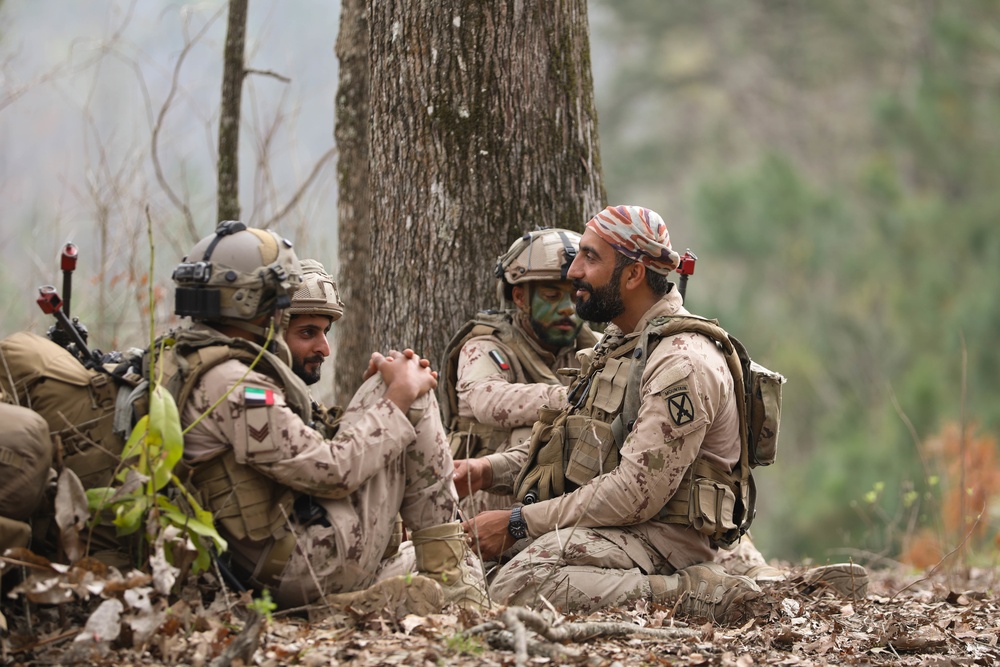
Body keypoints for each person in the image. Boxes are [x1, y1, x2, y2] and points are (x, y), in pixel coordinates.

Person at [159, 221, 486, 613]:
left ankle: (408, 584)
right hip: (296, 568)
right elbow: (331, 473)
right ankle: (457, 589)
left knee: (390, 387)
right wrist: (396, 397)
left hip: (258, 561)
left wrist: (371, 406)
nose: (324, 349)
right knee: (409, 390)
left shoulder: (190, 360)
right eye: (302, 328)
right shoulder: (235, 385)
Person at [464, 205, 763, 622]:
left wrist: (517, 523)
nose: (573, 273)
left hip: (661, 536)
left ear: (634, 273)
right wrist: (484, 471)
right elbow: (573, 443)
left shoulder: (681, 363)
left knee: (520, 584)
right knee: (458, 562)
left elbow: (633, 494)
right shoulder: (622, 343)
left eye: (590, 257)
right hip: (617, 525)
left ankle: (693, 592)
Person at [446, 229, 597, 516]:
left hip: (570, 498)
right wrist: (576, 398)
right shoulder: (486, 346)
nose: (568, 309)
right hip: (482, 496)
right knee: (537, 433)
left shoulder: (596, 347)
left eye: (576, 296)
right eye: (552, 296)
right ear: (520, 297)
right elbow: (488, 401)